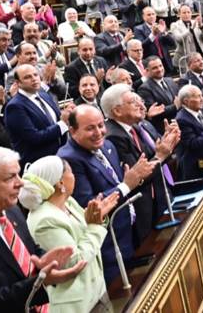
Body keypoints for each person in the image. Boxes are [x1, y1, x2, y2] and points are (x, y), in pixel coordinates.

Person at [0, 146, 87, 310]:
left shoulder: (10, 209)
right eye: (10, 177)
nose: (21, 183)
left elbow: (28, 251)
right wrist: (37, 285)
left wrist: (45, 261)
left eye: (18, 174)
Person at [58, 105, 150, 283]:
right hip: (107, 244)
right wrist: (126, 185)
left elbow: (119, 182)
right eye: (90, 128)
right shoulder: (68, 159)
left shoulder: (107, 145)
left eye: (101, 125)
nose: (98, 132)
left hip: (129, 231)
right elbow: (89, 204)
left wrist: (132, 180)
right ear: (73, 131)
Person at [19, 155, 118, 313]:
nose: (74, 176)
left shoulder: (68, 202)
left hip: (97, 291)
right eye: (71, 172)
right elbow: (75, 261)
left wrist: (97, 217)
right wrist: (95, 226)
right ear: (60, 183)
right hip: (77, 305)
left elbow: (87, 232)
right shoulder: (44, 220)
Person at [100, 86, 179, 244]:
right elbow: (138, 177)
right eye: (133, 102)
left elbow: (157, 155)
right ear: (117, 111)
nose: (140, 105)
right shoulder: (113, 136)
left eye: (139, 100)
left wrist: (168, 143)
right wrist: (161, 155)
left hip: (159, 197)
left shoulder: (137, 127)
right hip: (141, 207)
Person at [4, 64, 75, 166]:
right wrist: (63, 123)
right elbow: (34, 138)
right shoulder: (15, 106)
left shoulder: (44, 95)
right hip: (39, 163)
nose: (34, 79)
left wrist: (68, 114)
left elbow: (57, 122)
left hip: (61, 156)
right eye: (27, 77)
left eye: (35, 75)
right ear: (18, 83)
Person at [137, 56, 179, 134]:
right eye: (155, 68)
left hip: (179, 124)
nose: (159, 69)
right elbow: (154, 113)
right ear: (147, 71)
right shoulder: (144, 89)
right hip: (164, 130)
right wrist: (175, 106)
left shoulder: (170, 80)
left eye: (160, 66)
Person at [135, 7, 176, 75]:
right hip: (151, 63)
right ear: (143, 17)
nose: (151, 16)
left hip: (165, 61)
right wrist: (153, 35)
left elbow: (172, 43)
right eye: (149, 15)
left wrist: (164, 32)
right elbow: (141, 46)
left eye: (153, 14)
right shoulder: (138, 29)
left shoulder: (160, 26)